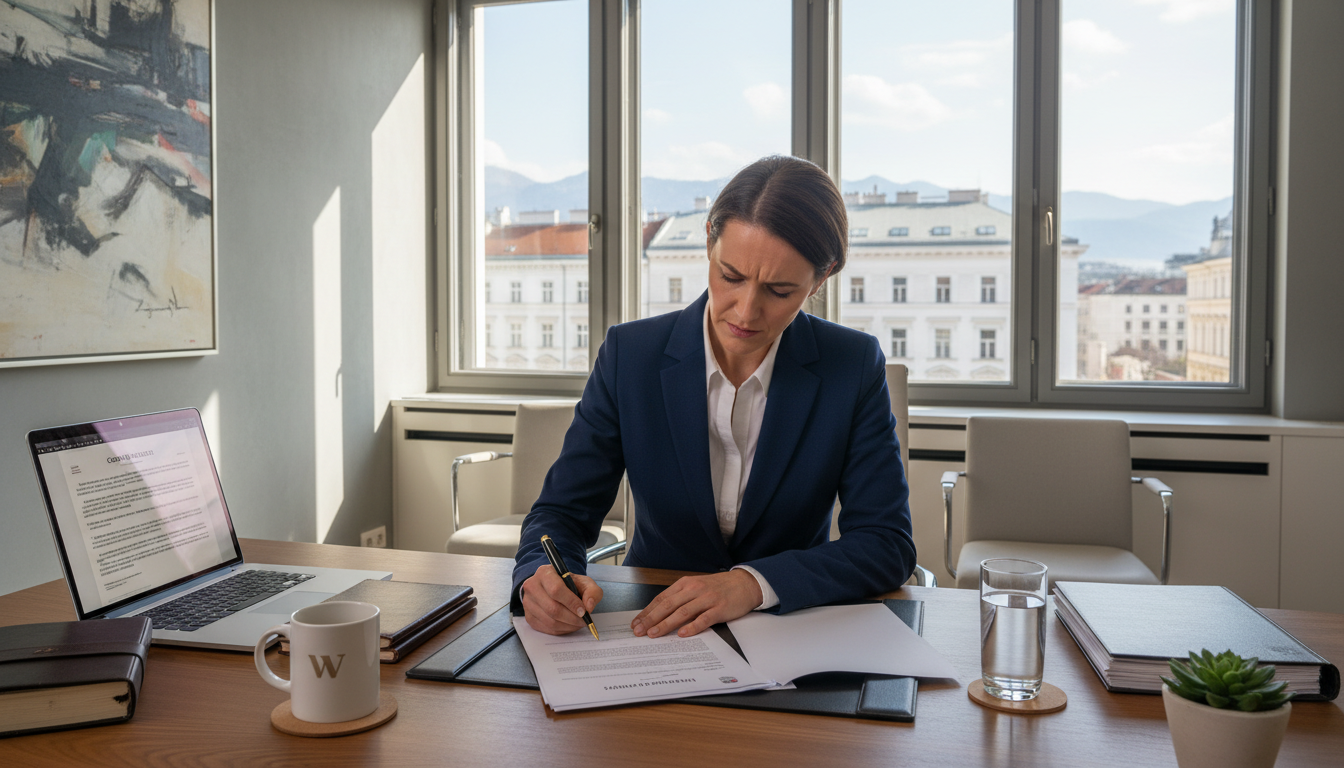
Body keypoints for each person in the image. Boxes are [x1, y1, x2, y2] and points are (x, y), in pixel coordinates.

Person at [512, 155, 915, 639]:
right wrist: (540, 576)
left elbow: (886, 542)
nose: (746, 311)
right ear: (709, 241)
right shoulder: (631, 355)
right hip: (651, 625)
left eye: (779, 290)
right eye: (731, 276)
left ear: (821, 277)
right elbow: (561, 514)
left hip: (791, 631)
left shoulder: (851, 366)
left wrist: (751, 584)